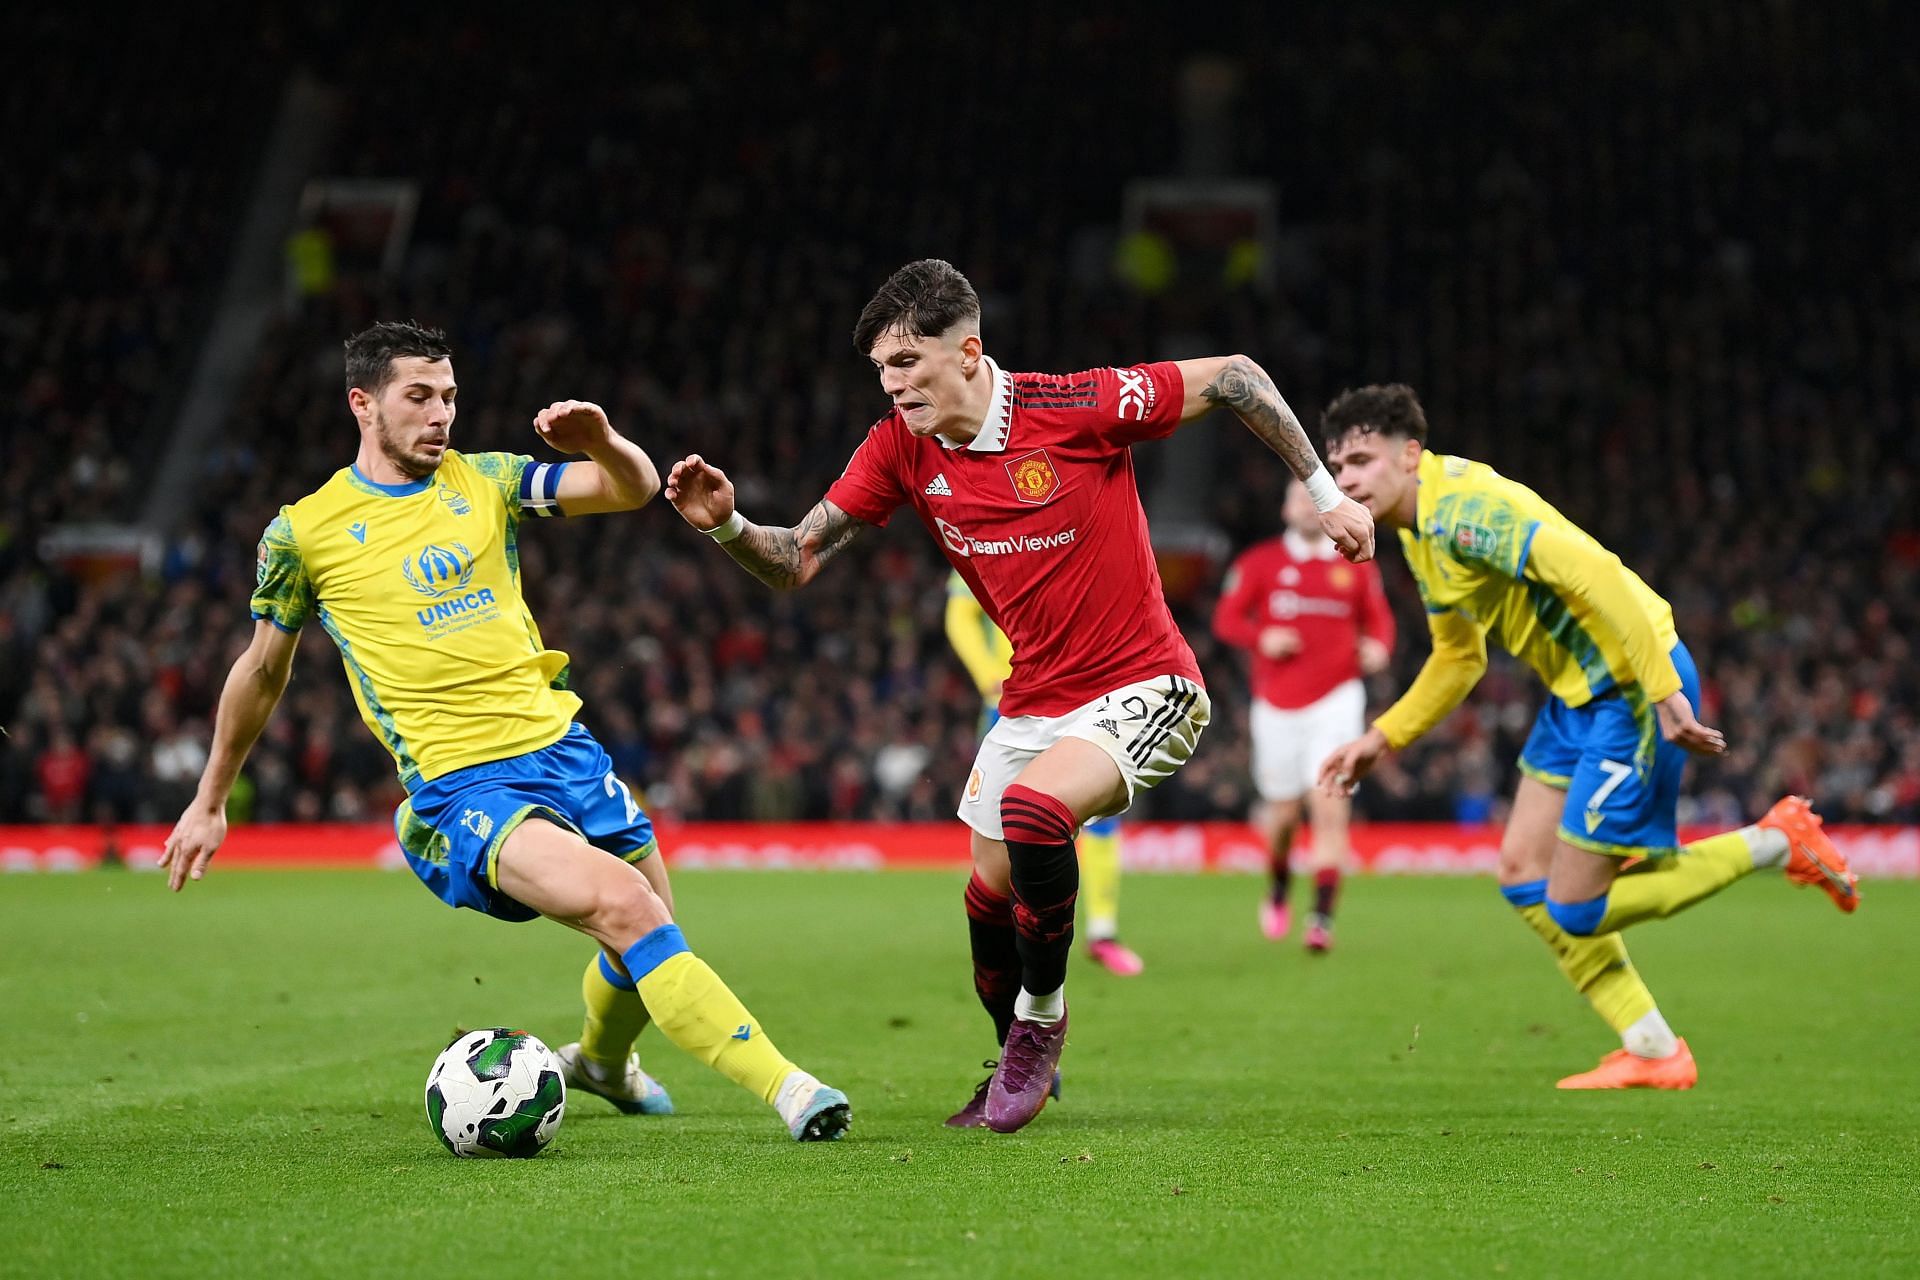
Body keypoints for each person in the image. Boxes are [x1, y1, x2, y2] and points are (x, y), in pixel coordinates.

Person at [664, 259, 1374, 1132]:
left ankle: (1042, 1025)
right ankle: (1014, 1051)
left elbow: (1236, 377)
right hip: (1033, 700)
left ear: (967, 353)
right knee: (987, 895)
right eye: (882, 371)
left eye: (906, 364)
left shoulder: (1070, 406)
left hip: (1148, 681)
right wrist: (728, 526)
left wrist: (1325, 493)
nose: (892, 387)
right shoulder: (899, 447)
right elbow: (796, 559)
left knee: (1038, 814)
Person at [160, 321, 850, 1142]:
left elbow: (626, 489)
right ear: (363, 403)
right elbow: (262, 670)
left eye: (449, 396)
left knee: (651, 930)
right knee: (630, 909)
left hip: (563, 748)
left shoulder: (486, 479)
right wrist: (210, 798)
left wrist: (601, 438)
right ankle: (792, 1090)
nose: (440, 413)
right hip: (465, 787)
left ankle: (599, 1065)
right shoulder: (305, 532)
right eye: (418, 396)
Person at [1314, 383, 1858, 1089]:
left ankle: (1780, 840)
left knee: (1576, 906)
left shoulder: (1465, 515)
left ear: (1409, 454)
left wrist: (1662, 690)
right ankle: (1654, 1049)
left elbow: (1599, 574)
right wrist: (1381, 739)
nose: (1347, 478)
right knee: (1520, 873)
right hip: (1579, 697)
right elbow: (1459, 656)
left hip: (1631, 687)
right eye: (1337, 467)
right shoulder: (1420, 533)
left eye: (1361, 458)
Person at [1213, 477, 1394, 953]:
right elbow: (1226, 620)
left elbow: (1380, 621)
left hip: (1338, 698)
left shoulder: (1353, 563)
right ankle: (1277, 886)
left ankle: (1321, 919)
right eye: (1299, 497)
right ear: (1285, 509)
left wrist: (1379, 646)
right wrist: (1262, 638)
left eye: (1315, 500)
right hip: (1275, 703)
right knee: (1284, 817)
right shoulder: (1260, 562)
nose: (1308, 507)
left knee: (1330, 804)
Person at [946, 570, 1143, 976]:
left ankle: (1103, 933)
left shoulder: (1074, 527)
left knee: (1101, 815)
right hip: (1014, 702)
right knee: (1006, 826)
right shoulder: (987, 530)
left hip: (1084, 694)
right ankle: (1013, 926)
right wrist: (987, 673)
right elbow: (959, 614)